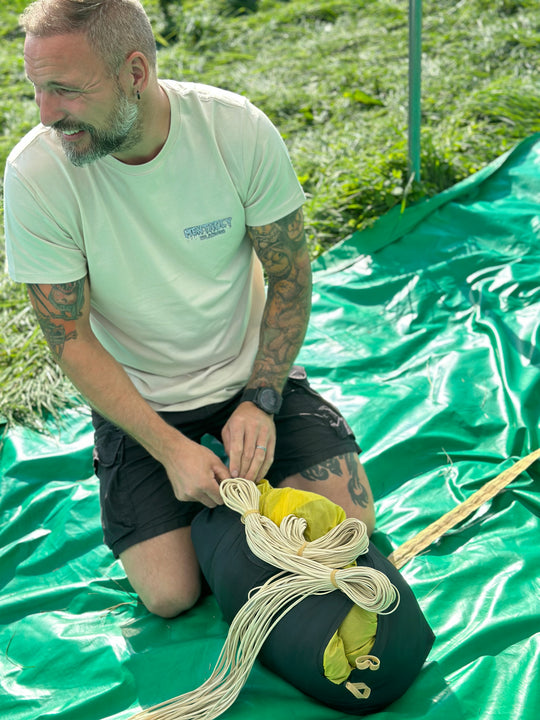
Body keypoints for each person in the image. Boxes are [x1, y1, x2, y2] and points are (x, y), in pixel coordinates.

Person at [4, 0, 375, 618]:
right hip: (140, 402)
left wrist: (262, 398)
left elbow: (289, 276)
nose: (47, 115)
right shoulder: (36, 173)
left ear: (135, 72)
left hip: (247, 373)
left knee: (351, 526)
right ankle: (236, 514)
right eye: (38, 90)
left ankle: (237, 507)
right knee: (169, 595)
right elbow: (68, 337)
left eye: (66, 91)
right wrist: (169, 449)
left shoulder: (236, 129)